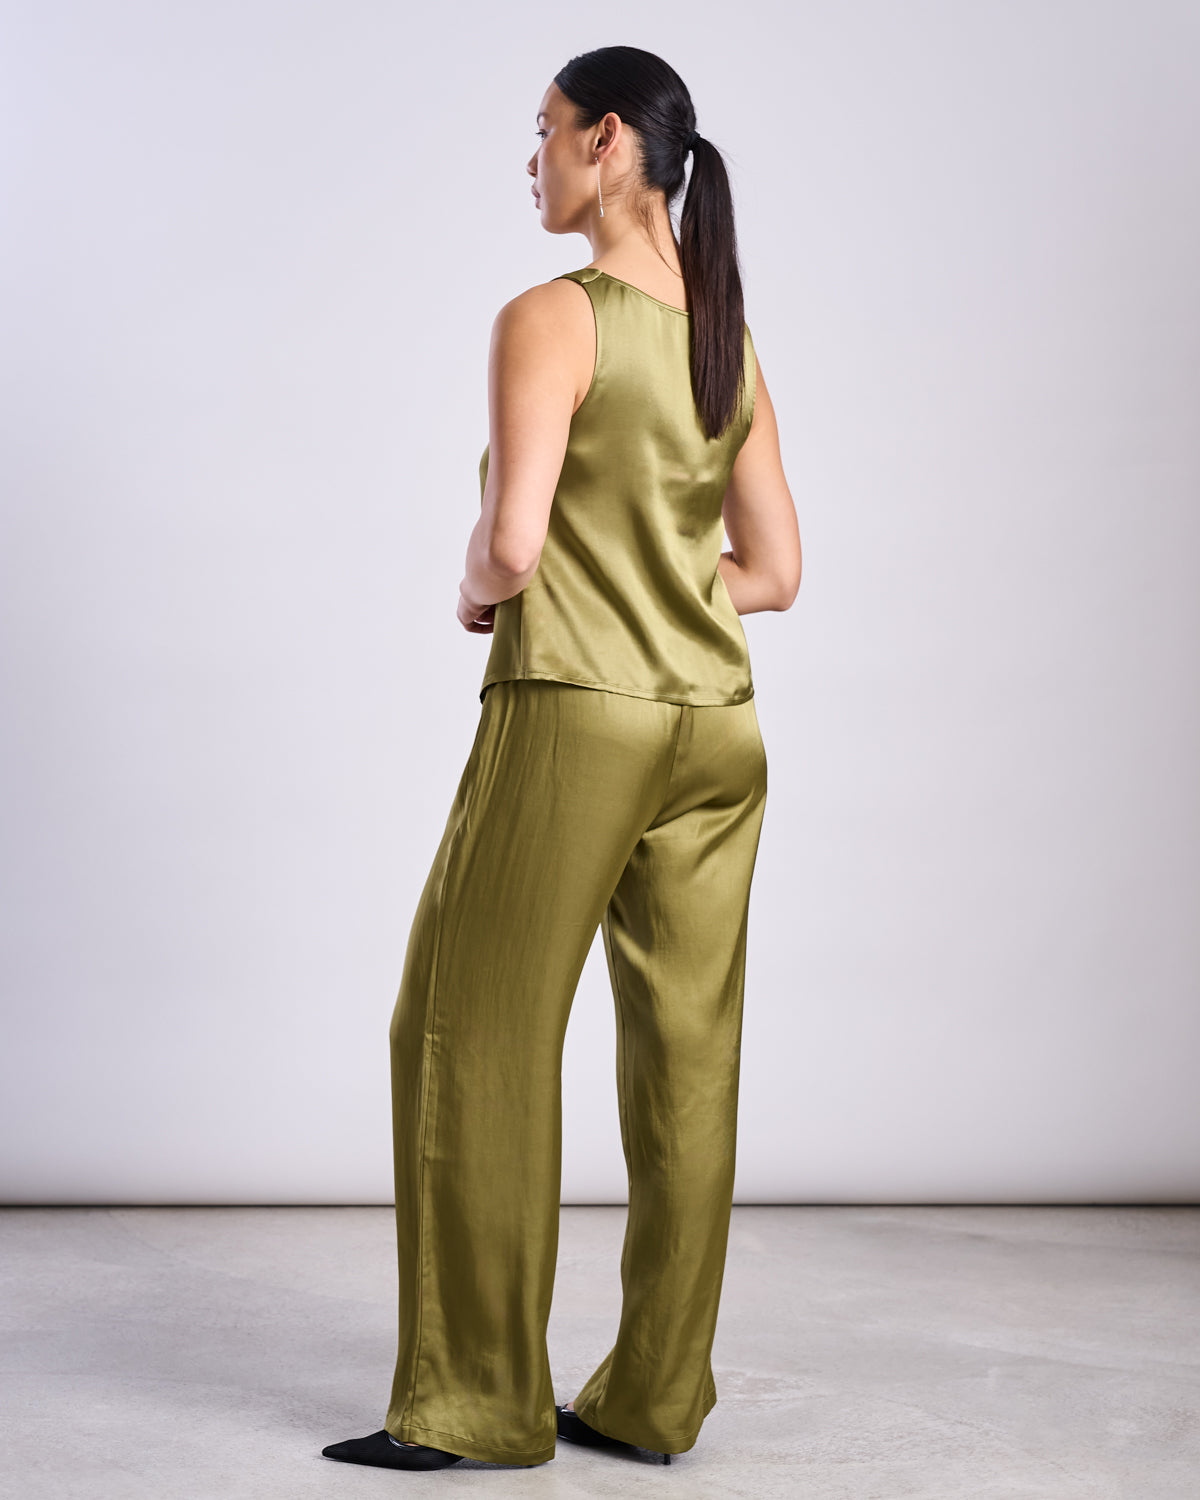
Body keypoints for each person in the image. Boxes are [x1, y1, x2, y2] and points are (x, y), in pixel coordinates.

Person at [322, 44, 801, 1473]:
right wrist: (668, 588)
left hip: (575, 710)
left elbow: (516, 540)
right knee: (688, 1065)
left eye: (539, 133)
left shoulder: (552, 315)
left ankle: (476, 1404)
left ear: (607, 143)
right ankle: (654, 1401)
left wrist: (476, 586)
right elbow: (775, 569)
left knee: (464, 1028)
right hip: (715, 727)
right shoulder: (728, 331)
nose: (527, 160)